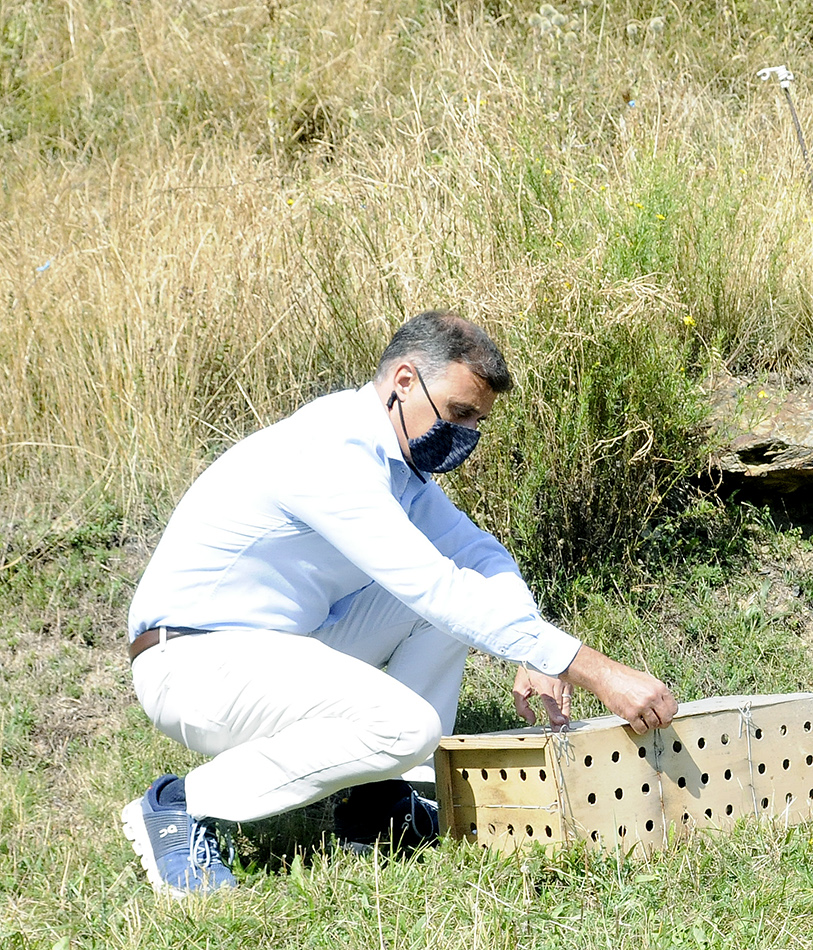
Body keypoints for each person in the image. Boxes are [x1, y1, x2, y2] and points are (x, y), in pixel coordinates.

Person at [121, 311, 678, 894]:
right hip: (191, 666)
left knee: (454, 600)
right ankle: (183, 805)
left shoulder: (399, 468)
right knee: (409, 723)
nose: (465, 436)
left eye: (477, 423)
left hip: (272, 649)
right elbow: (431, 586)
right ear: (405, 382)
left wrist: (537, 648)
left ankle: (382, 810)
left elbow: (479, 557)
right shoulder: (330, 451)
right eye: (459, 413)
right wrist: (593, 670)